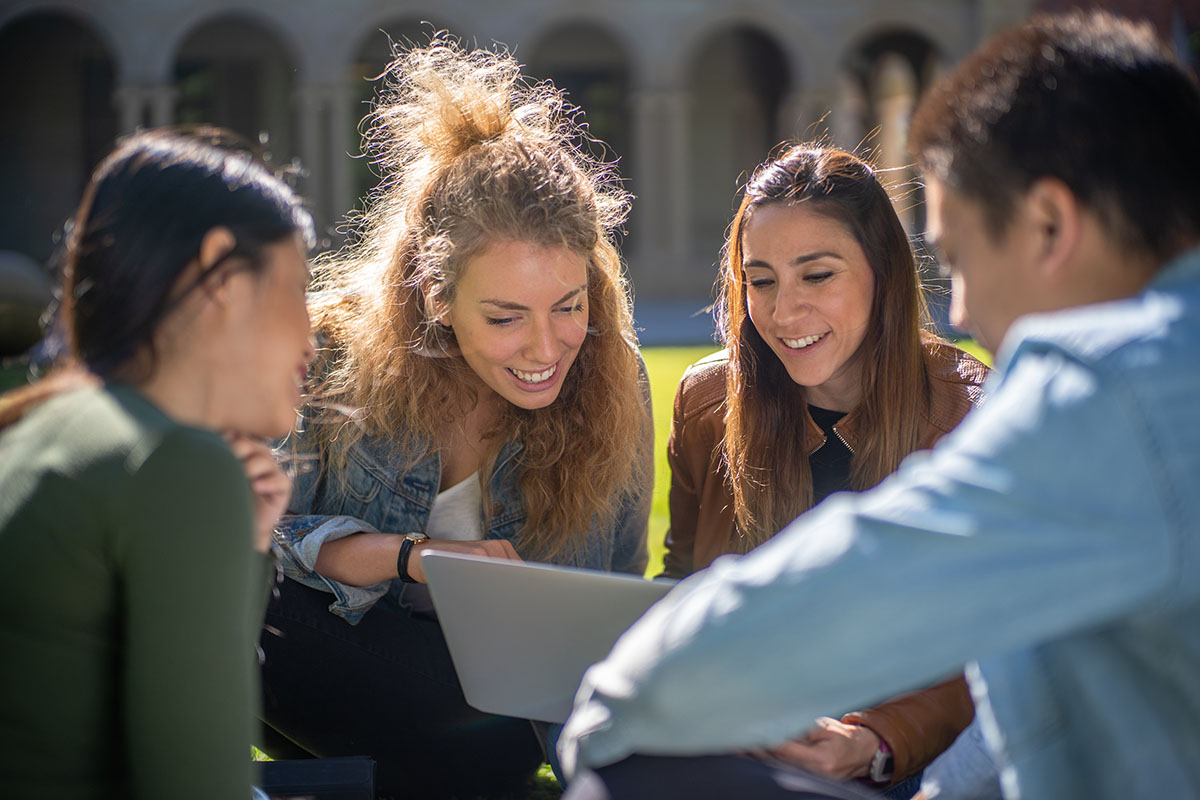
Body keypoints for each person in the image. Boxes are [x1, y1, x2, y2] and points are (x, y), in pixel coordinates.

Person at [559, 10, 1200, 800]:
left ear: (1049, 225)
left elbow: (886, 569)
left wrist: (624, 697)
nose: (961, 308)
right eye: (761, 280)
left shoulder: (1111, 389)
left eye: (959, 257)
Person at [256, 36, 652, 798]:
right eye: (506, 317)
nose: (547, 347)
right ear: (436, 295)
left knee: (485, 751)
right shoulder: (326, 350)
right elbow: (255, 548)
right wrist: (413, 555)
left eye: (570, 306)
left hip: (491, 718)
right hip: (325, 652)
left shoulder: (614, 375)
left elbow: (612, 595)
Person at [0, 131, 315, 799]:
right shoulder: (175, 463)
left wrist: (248, 543)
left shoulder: (48, 427)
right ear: (223, 274)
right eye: (300, 286)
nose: (311, 336)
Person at [663, 144, 985, 796]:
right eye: (760, 280)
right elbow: (679, 584)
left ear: (883, 274)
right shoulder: (706, 404)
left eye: (817, 276)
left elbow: (994, 651)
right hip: (737, 736)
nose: (783, 313)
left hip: (893, 760)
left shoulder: (969, 411)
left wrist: (876, 741)